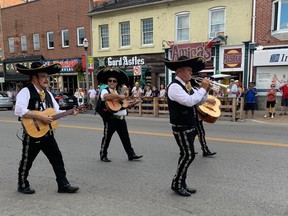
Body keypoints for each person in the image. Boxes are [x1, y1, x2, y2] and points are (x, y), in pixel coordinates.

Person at [14, 62, 80, 194]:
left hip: (47, 134)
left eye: (47, 76)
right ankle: (22, 184)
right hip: (32, 133)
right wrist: (40, 117)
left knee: (57, 158)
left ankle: (63, 184)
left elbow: (55, 112)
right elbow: (19, 110)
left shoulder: (48, 94)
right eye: (43, 76)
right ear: (34, 78)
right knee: (27, 160)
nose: (46, 79)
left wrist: (69, 112)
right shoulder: (26, 91)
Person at [164, 56, 211, 197]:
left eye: (191, 70)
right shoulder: (174, 87)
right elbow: (189, 102)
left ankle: (181, 183)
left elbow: (199, 100)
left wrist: (206, 90)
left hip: (189, 125)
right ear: (179, 71)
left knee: (185, 155)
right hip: (181, 127)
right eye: (188, 70)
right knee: (188, 155)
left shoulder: (187, 86)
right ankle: (176, 184)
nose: (191, 73)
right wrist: (202, 88)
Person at [96, 66, 143, 162]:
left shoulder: (119, 91)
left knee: (126, 138)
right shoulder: (105, 90)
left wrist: (132, 103)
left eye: (114, 81)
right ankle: (103, 155)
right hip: (111, 119)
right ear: (107, 82)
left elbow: (122, 105)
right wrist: (119, 96)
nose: (112, 82)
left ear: (117, 83)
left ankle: (131, 154)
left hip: (121, 119)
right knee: (107, 138)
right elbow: (105, 97)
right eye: (110, 81)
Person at [186, 80, 217, 157]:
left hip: (197, 115)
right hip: (194, 115)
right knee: (201, 133)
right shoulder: (193, 90)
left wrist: (208, 89)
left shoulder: (199, 90)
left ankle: (188, 149)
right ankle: (205, 150)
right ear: (199, 83)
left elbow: (203, 99)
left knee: (194, 133)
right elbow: (198, 101)